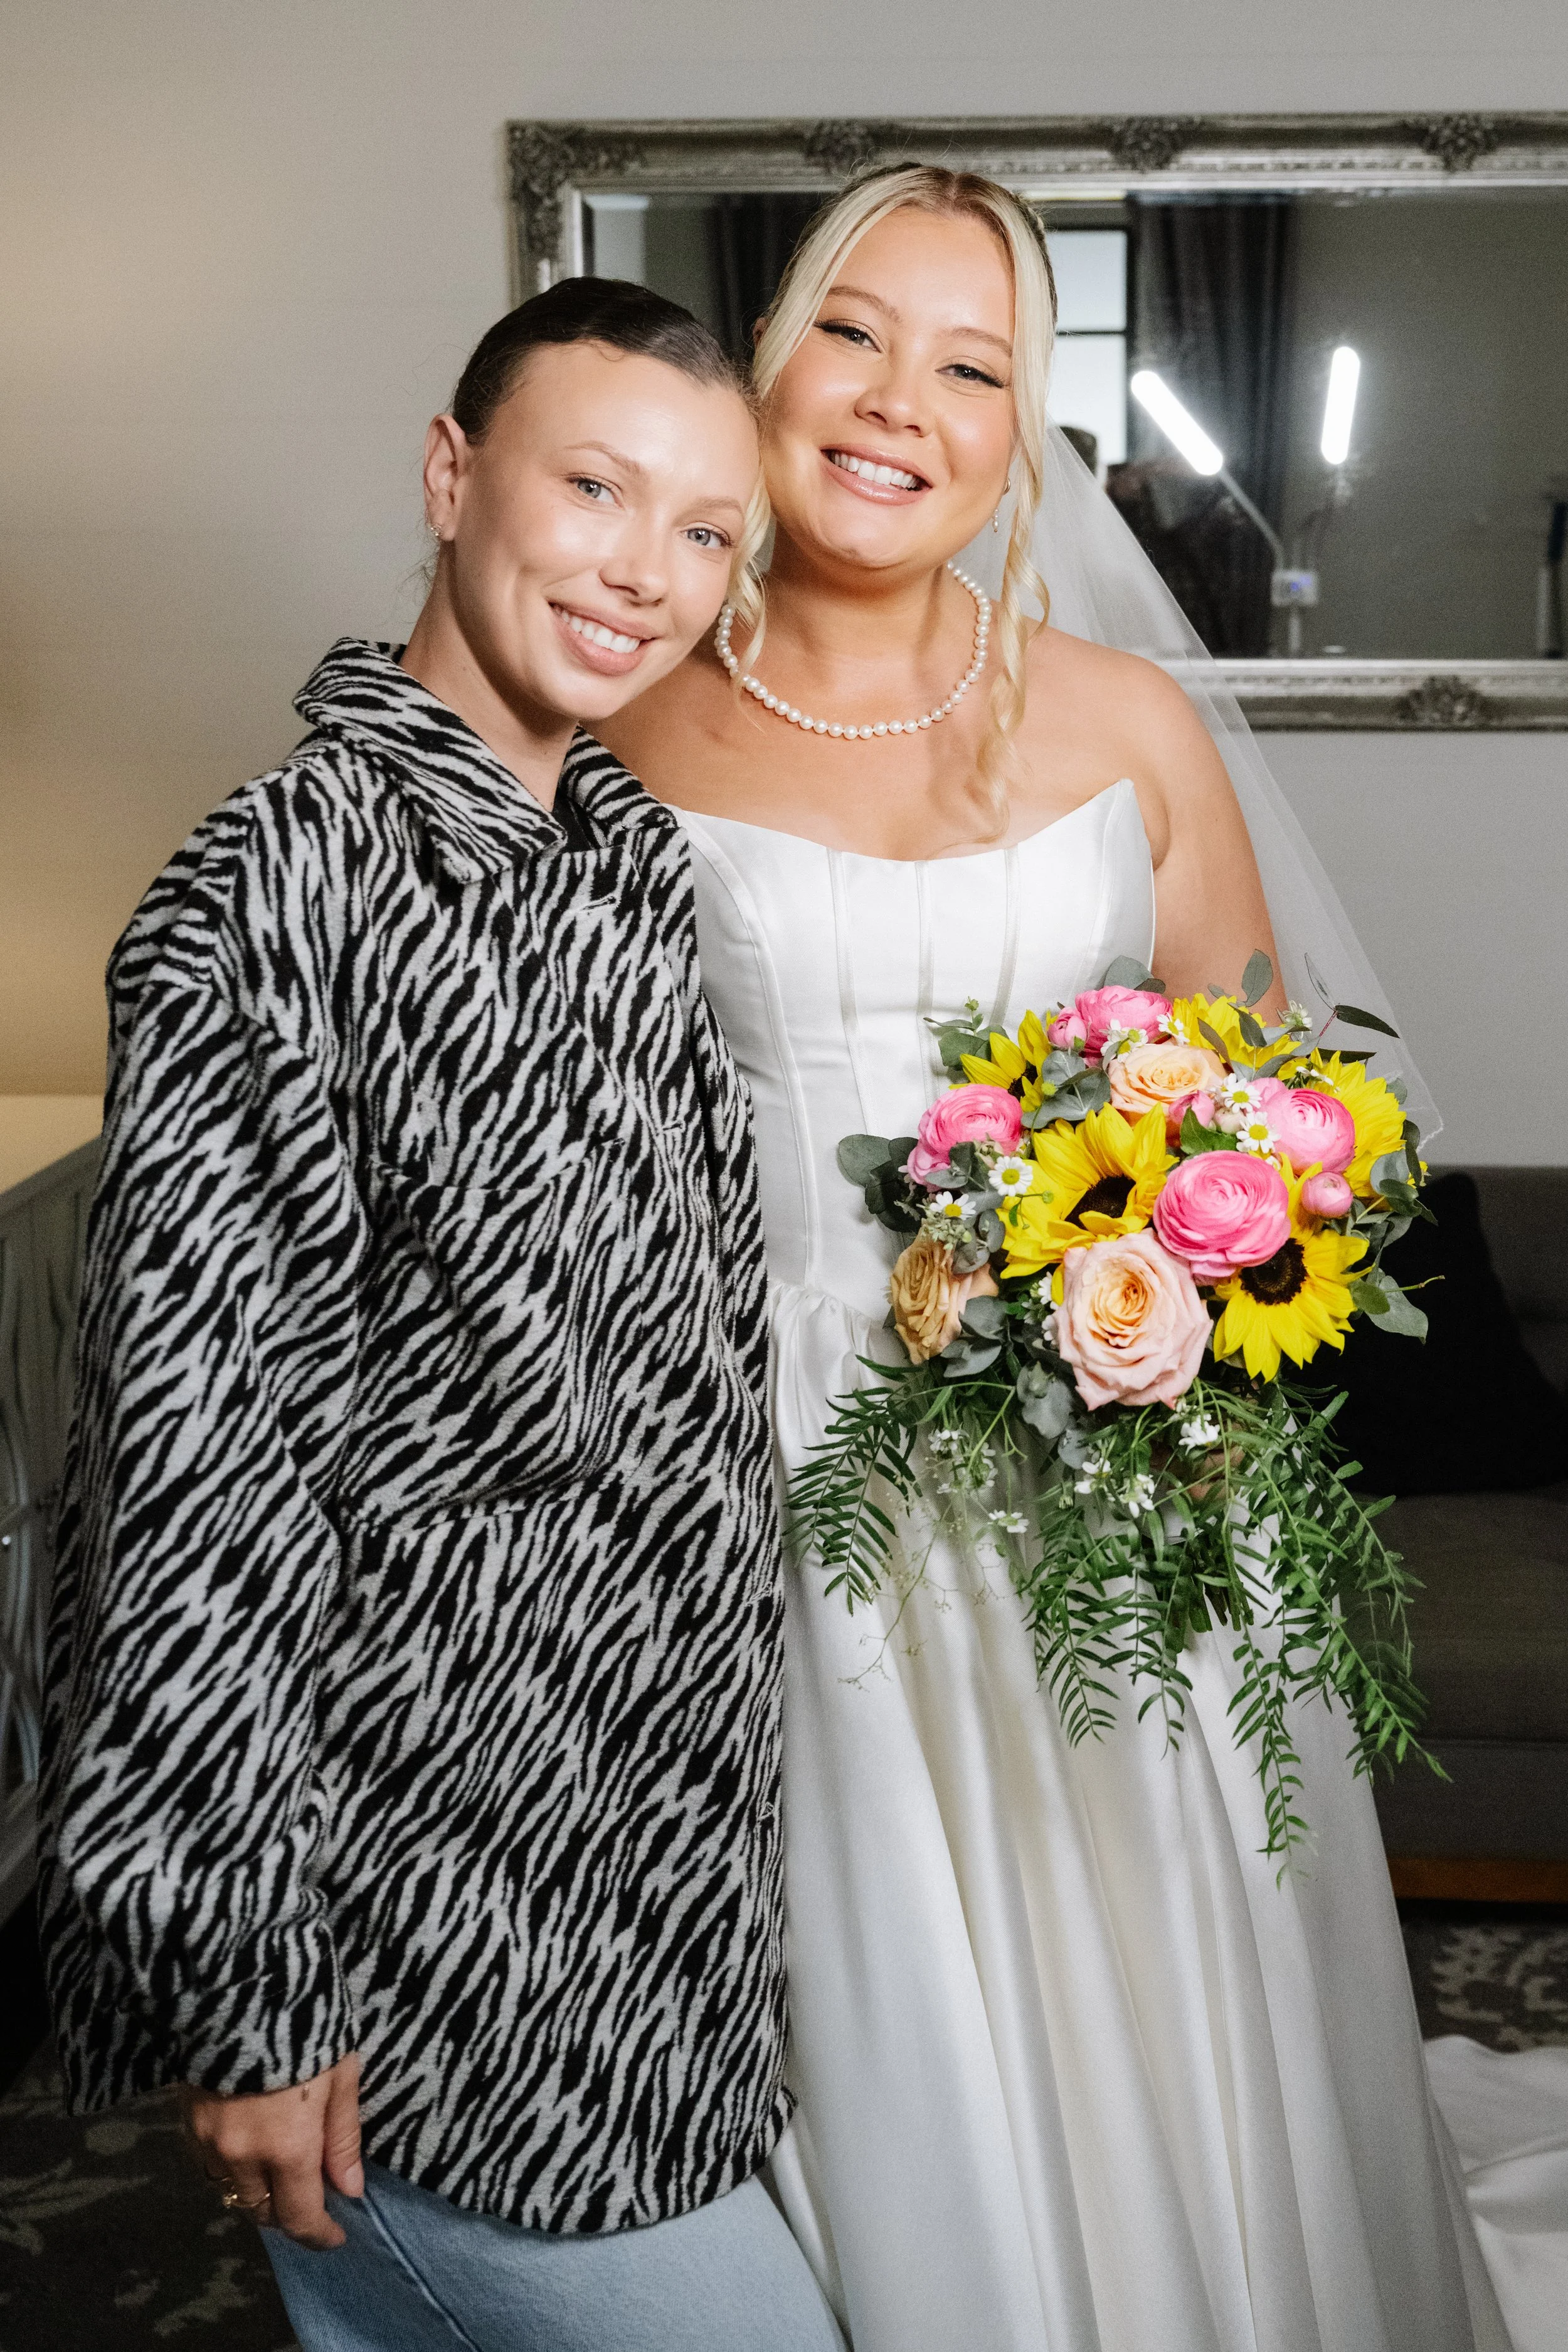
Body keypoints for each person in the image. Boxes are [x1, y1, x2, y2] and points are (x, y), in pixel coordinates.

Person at [601, 169, 1522, 2351]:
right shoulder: (617, 728)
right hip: (749, 1458)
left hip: (1095, 1465)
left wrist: (1153, 1273)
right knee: (864, 1968)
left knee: (1144, 1930)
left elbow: (1286, 1118)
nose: (896, 401)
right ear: (766, 359)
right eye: (852, 333)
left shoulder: (1122, 725)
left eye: (972, 363)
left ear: (1029, 433)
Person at [39, 278, 844, 2352]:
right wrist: (253, 1979)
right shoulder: (270, 893)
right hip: (417, 1908)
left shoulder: (636, 864)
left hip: (649, 1869)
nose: (641, 574)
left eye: (699, 533)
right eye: (594, 487)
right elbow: (198, 1481)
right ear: (450, 474)